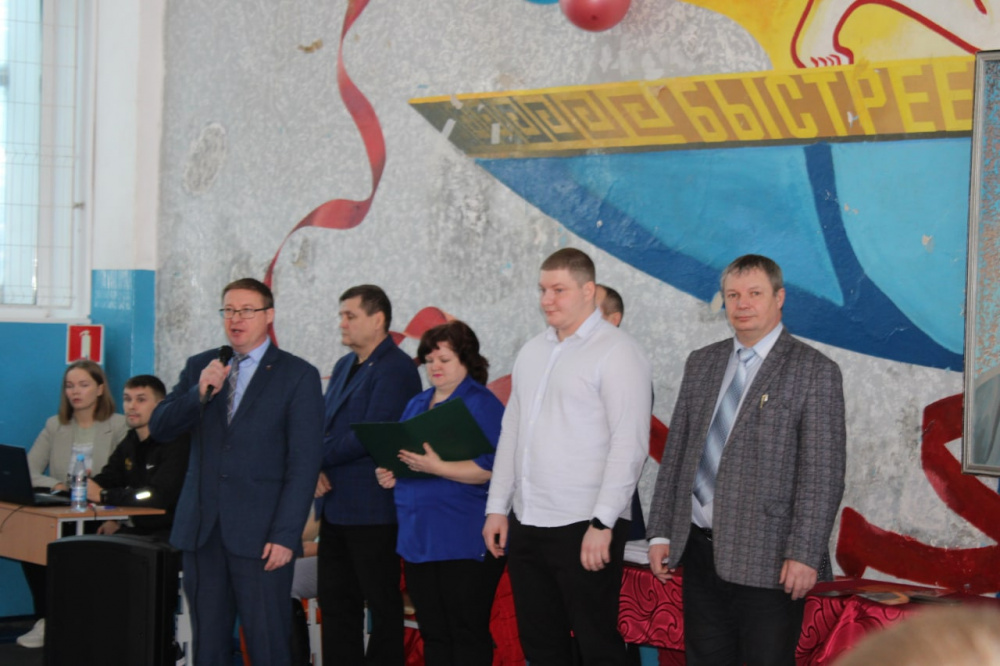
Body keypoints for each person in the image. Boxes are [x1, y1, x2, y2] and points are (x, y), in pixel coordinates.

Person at [646, 254, 846, 666]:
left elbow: (823, 475)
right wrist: (660, 532)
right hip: (699, 552)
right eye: (733, 295)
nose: (742, 304)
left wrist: (805, 552)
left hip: (771, 560)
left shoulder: (814, 371)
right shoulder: (702, 363)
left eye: (755, 293)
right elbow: (677, 453)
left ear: (779, 298)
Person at [483, 248, 652, 665]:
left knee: (597, 643)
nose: (547, 299)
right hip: (529, 519)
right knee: (541, 642)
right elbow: (512, 433)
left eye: (558, 290)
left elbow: (629, 444)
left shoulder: (617, 350)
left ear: (588, 290)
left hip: (585, 522)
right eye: (542, 289)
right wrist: (497, 507)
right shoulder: (532, 350)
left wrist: (603, 522)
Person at [149, 277, 324, 666]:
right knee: (208, 646)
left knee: (267, 645)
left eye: (246, 310)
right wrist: (198, 392)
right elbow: (160, 426)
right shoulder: (202, 366)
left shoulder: (297, 375)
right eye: (228, 310)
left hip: (262, 537)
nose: (235, 319)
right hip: (202, 532)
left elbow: (304, 464)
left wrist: (285, 535)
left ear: (269, 315)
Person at [375, 321, 506, 666]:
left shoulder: (482, 403)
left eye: (444, 359)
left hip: (463, 537)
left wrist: (440, 468)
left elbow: (495, 468)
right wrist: (390, 471)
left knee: (466, 631)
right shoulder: (417, 403)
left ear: (467, 360)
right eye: (429, 359)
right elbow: (406, 459)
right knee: (433, 632)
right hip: (419, 536)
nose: (435, 366)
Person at [317, 284, 422, 666]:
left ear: (378, 320)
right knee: (336, 603)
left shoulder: (397, 368)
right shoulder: (345, 365)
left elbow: (370, 434)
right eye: (341, 316)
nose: (342, 323)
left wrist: (316, 457)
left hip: (374, 510)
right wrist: (315, 466)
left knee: (382, 606)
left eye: (351, 316)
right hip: (335, 507)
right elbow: (324, 426)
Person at [17, 359, 128, 649]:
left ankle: (77, 622)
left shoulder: (119, 425)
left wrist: (117, 518)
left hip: (101, 512)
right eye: (69, 386)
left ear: (100, 389)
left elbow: (126, 478)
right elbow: (28, 470)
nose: (75, 392)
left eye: (83, 384)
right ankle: (47, 619)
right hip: (62, 510)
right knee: (32, 543)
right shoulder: (55, 425)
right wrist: (57, 485)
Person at [87, 374, 191, 540]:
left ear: (160, 405)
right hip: (139, 530)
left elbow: (155, 496)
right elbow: (110, 477)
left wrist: (105, 495)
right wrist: (84, 486)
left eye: (140, 400)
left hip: (170, 534)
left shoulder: (176, 441)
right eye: (127, 399)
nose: (131, 406)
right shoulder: (131, 441)